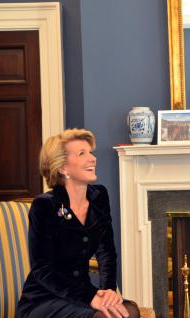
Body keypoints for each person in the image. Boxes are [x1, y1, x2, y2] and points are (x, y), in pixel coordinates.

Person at [17, 129, 139, 318]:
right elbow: (42, 269)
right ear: (63, 167)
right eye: (82, 153)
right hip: (44, 300)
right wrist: (91, 296)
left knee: (129, 311)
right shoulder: (45, 206)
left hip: (82, 294)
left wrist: (108, 290)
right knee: (103, 316)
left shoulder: (99, 197)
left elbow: (106, 252)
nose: (93, 158)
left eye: (90, 152)